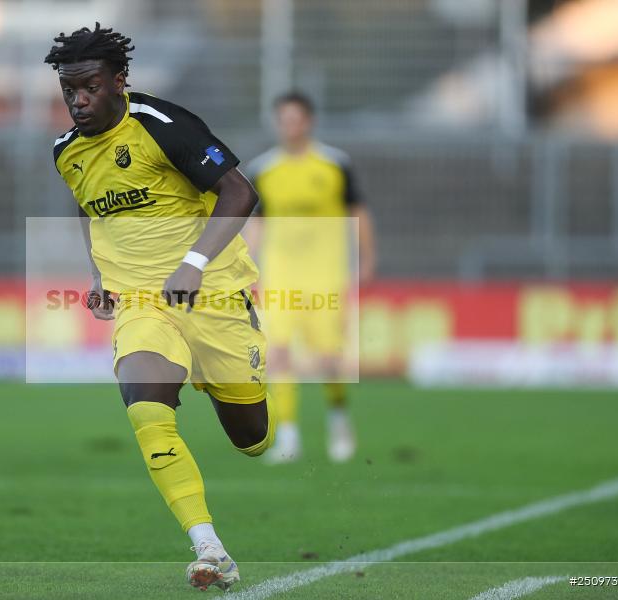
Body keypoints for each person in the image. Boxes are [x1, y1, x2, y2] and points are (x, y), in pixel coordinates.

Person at [45, 24, 274, 591]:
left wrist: (193, 263)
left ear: (119, 81)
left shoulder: (161, 125)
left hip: (213, 294)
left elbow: (241, 192)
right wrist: (99, 274)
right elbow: (87, 207)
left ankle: (225, 385)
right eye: (69, 90)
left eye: (90, 87)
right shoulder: (67, 153)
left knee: (252, 439)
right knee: (146, 409)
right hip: (143, 303)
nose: (78, 100)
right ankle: (210, 548)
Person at [246, 91, 376, 464]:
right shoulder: (263, 169)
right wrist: (246, 266)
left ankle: (338, 416)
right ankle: (288, 435)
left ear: (309, 121)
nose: (290, 126)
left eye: (296, 119)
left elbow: (358, 212)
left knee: (329, 358)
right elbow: (257, 223)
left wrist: (367, 258)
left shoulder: (335, 164)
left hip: (326, 274)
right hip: (281, 274)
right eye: (284, 119)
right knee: (278, 352)